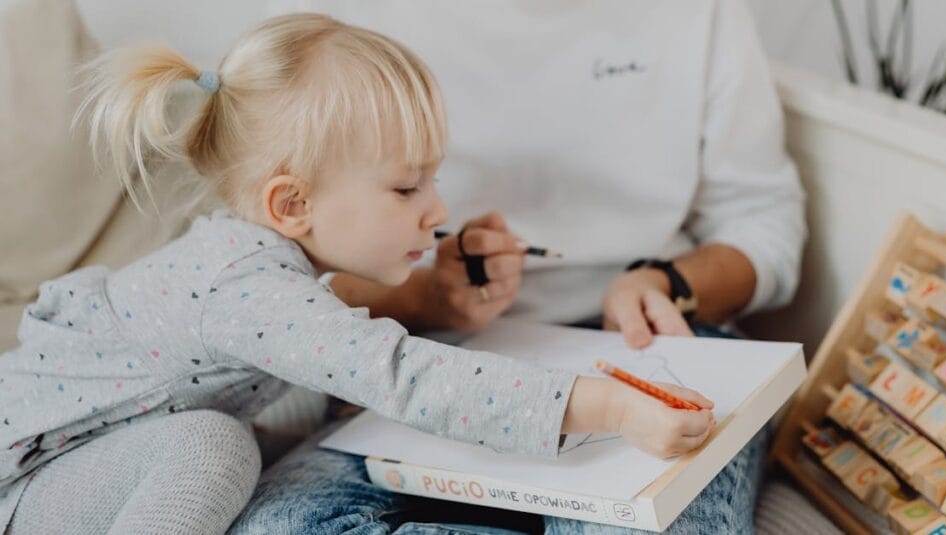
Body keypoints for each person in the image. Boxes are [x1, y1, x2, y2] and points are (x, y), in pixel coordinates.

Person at [0, 13, 716, 535]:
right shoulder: (245, 288)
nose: (435, 209)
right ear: (293, 204)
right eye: (406, 190)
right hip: (24, 481)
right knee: (215, 444)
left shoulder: (265, 266)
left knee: (301, 418)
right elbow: (405, 374)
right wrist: (611, 407)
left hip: (100, 453)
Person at [230, 1, 806, 534]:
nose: (438, 209)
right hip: (427, 355)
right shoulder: (352, 29)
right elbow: (282, 265)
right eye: (408, 186)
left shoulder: (699, 15)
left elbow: (764, 223)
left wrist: (669, 283)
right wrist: (430, 297)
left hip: (646, 351)